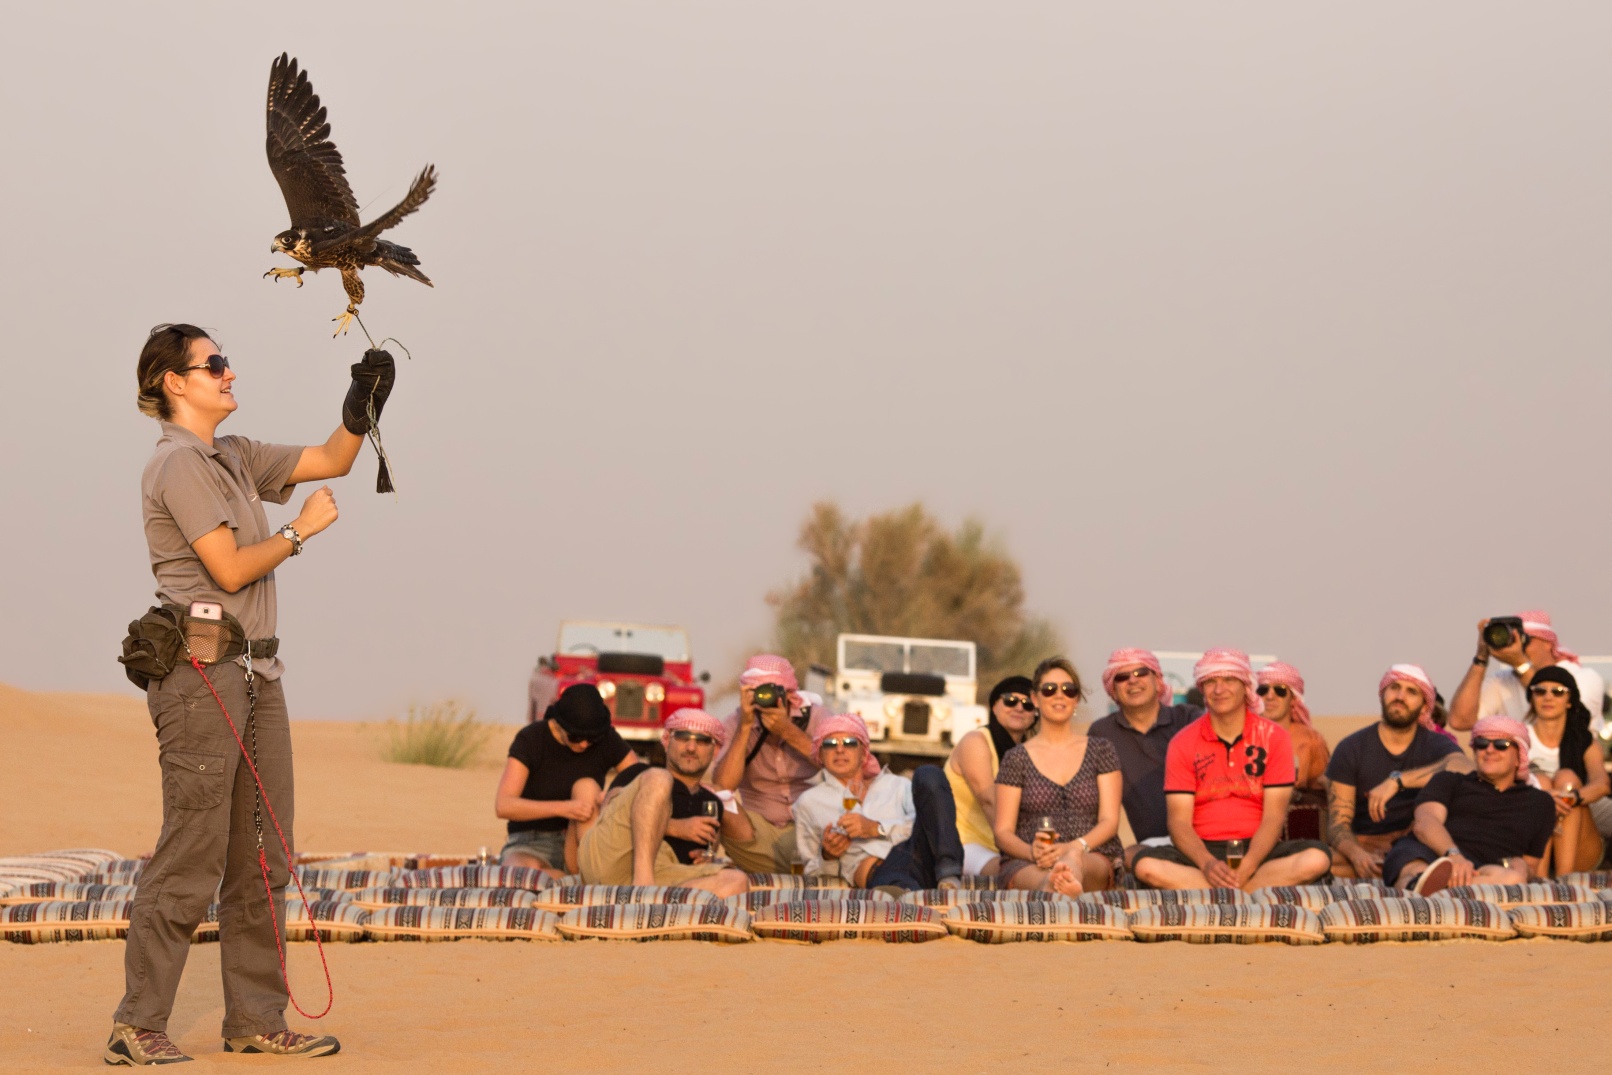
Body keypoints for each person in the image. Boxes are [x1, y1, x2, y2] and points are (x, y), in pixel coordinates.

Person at [111, 325, 388, 1063]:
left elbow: (332, 458)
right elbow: (228, 569)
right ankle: (137, 1023)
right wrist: (300, 532)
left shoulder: (230, 454)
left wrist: (361, 403)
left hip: (258, 677)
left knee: (265, 856)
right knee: (192, 853)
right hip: (200, 677)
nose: (231, 374)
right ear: (174, 381)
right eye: (216, 365)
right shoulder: (176, 464)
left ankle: (257, 1020)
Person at [1133, 649, 1331, 892]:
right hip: (1203, 850)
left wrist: (1248, 865)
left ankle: (1220, 891)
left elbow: (1274, 816)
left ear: (1245, 686)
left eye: (1228, 680)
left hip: (1258, 850)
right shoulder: (1183, 742)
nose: (1219, 690)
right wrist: (1207, 864)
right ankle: (1247, 890)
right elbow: (1178, 821)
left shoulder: (1274, 738)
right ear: (1202, 688)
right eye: (1211, 682)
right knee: (1145, 866)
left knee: (1317, 859)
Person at [577, 709, 749, 896]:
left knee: (737, 881)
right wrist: (676, 828)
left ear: (715, 750)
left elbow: (705, 853)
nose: (691, 748)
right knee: (660, 779)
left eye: (701, 741)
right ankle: (643, 889)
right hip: (612, 861)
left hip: (663, 873)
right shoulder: (640, 774)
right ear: (667, 742)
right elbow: (608, 816)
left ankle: (655, 901)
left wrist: (706, 861)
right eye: (683, 738)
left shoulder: (711, 803)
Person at [993, 658, 1124, 896]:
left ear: (1075, 699)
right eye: (1050, 689)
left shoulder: (1101, 750)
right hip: (1031, 861)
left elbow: (1109, 821)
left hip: (1092, 855)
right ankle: (1058, 888)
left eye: (1068, 689)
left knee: (1075, 859)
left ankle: (1062, 883)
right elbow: (1003, 831)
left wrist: (1073, 847)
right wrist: (1032, 853)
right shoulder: (1016, 759)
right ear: (1035, 698)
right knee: (1043, 877)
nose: (1059, 695)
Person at [1325, 665, 1469, 879]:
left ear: (1424, 706)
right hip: (1364, 847)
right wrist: (1358, 855)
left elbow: (1465, 767)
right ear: (1383, 695)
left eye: (1412, 692)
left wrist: (1397, 781)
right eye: (1394, 688)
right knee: (1318, 860)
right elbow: (1338, 824)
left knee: (1435, 860)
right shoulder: (1352, 748)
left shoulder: (1435, 745)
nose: (1400, 696)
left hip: (1416, 846)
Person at [1384, 717, 1557, 894]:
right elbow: (1426, 822)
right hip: (1431, 853)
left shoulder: (1540, 803)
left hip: (1485, 868)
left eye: (1501, 744)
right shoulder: (1449, 781)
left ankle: (1430, 890)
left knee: (1513, 880)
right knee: (1414, 868)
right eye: (1482, 743)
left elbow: (1531, 864)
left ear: (1519, 757)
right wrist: (1454, 856)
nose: (1489, 750)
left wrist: (1523, 867)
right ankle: (1421, 885)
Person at [792, 714, 963, 890]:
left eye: (850, 743)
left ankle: (949, 875)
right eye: (830, 744)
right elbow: (811, 871)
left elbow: (929, 825)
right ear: (820, 753)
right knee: (898, 886)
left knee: (929, 774)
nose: (840, 750)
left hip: (922, 859)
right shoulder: (809, 801)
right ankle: (911, 897)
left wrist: (876, 828)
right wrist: (827, 856)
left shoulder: (896, 785)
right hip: (881, 873)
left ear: (863, 752)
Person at [494, 684, 640, 875]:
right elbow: (504, 805)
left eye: (592, 738)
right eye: (576, 737)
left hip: (584, 843)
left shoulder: (606, 739)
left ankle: (586, 872)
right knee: (521, 873)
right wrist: (565, 808)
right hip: (532, 842)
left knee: (586, 787)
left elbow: (641, 778)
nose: (584, 744)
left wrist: (613, 794)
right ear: (559, 723)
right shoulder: (532, 739)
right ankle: (568, 882)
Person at [1087, 649, 1202, 860]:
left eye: (1141, 673)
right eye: (1122, 677)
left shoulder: (1189, 719)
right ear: (1113, 690)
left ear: (1158, 682)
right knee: (1128, 858)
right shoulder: (1102, 734)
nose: (1132, 680)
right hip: (1154, 848)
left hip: (1205, 838)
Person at [711, 655, 820, 873]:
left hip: (812, 828)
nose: (766, 698)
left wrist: (788, 731)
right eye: (759, 692)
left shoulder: (815, 717)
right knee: (718, 802)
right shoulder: (736, 722)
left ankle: (787, 869)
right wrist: (745, 727)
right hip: (760, 834)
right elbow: (723, 786)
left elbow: (842, 768)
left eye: (773, 691)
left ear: (789, 693)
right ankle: (781, 869)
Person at [1449, 611, 1606, 734]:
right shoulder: (1503, 680)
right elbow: (1460, 721)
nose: (1518, 645)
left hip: (1570, 767)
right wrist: (1481, 657)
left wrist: (1521, 665)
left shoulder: (1585, 677)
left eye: (1525, 639)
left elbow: (1573, 719)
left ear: (1548, 643)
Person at [943, 675, 1038, 877]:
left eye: (1028, 705)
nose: (1019, 708)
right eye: (1010, 701)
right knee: (1019, 872)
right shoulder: (976, 741)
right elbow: (989, 801)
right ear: (994, 707)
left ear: (1034, 715)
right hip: (966, 843)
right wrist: (1026, 851)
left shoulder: (1029, 754)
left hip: (1006, 846)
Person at [1521, 666, 1609, 875]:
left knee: (1567, 779)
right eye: (1540, 691)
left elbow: (1602, 784)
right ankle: (1540, 881)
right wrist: (1542, 798)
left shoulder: (1584, 741)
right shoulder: (1518, 737)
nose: (1548, 697)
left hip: (1579, 841)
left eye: (1558, 692)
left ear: (1570, 700)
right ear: (1531, 698)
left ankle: (1563, 882)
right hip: (1528, 829)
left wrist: (1568, 798)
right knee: (1540, 783)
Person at [1255, 662, 1329, 794]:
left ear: (1294, 699)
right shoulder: (1240, 737)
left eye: (1280, 690)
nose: (1270, 696)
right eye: (1263, 690)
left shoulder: (1311, 741)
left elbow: (1323, 793)